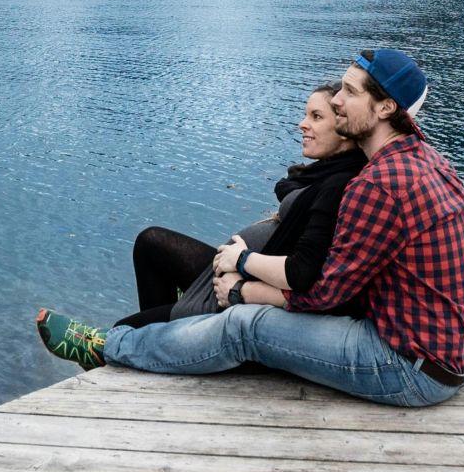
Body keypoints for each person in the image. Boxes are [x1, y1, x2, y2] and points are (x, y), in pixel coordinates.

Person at [37, 48, 464, 409]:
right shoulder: (422, 158)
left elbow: (322, 293)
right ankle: (145, 347)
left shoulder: (380, 183)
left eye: (349, 92)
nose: (335, 100)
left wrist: (241, 287)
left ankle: (107, 347)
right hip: (444, 354)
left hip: (407, 368)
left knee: (244, 328)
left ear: (386, 107)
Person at [118, 82, 365, 328]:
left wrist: (243, 265)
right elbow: (289, 187)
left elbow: (304, 271)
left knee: (125, 329)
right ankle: (161, 338)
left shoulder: (338, 185)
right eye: (305, 114)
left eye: (316, 117)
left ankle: (164, 336)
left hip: (241, 290)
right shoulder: (323, 174)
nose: (302, 124)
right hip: (238, 273)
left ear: (344, 127)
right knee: (150, 243)